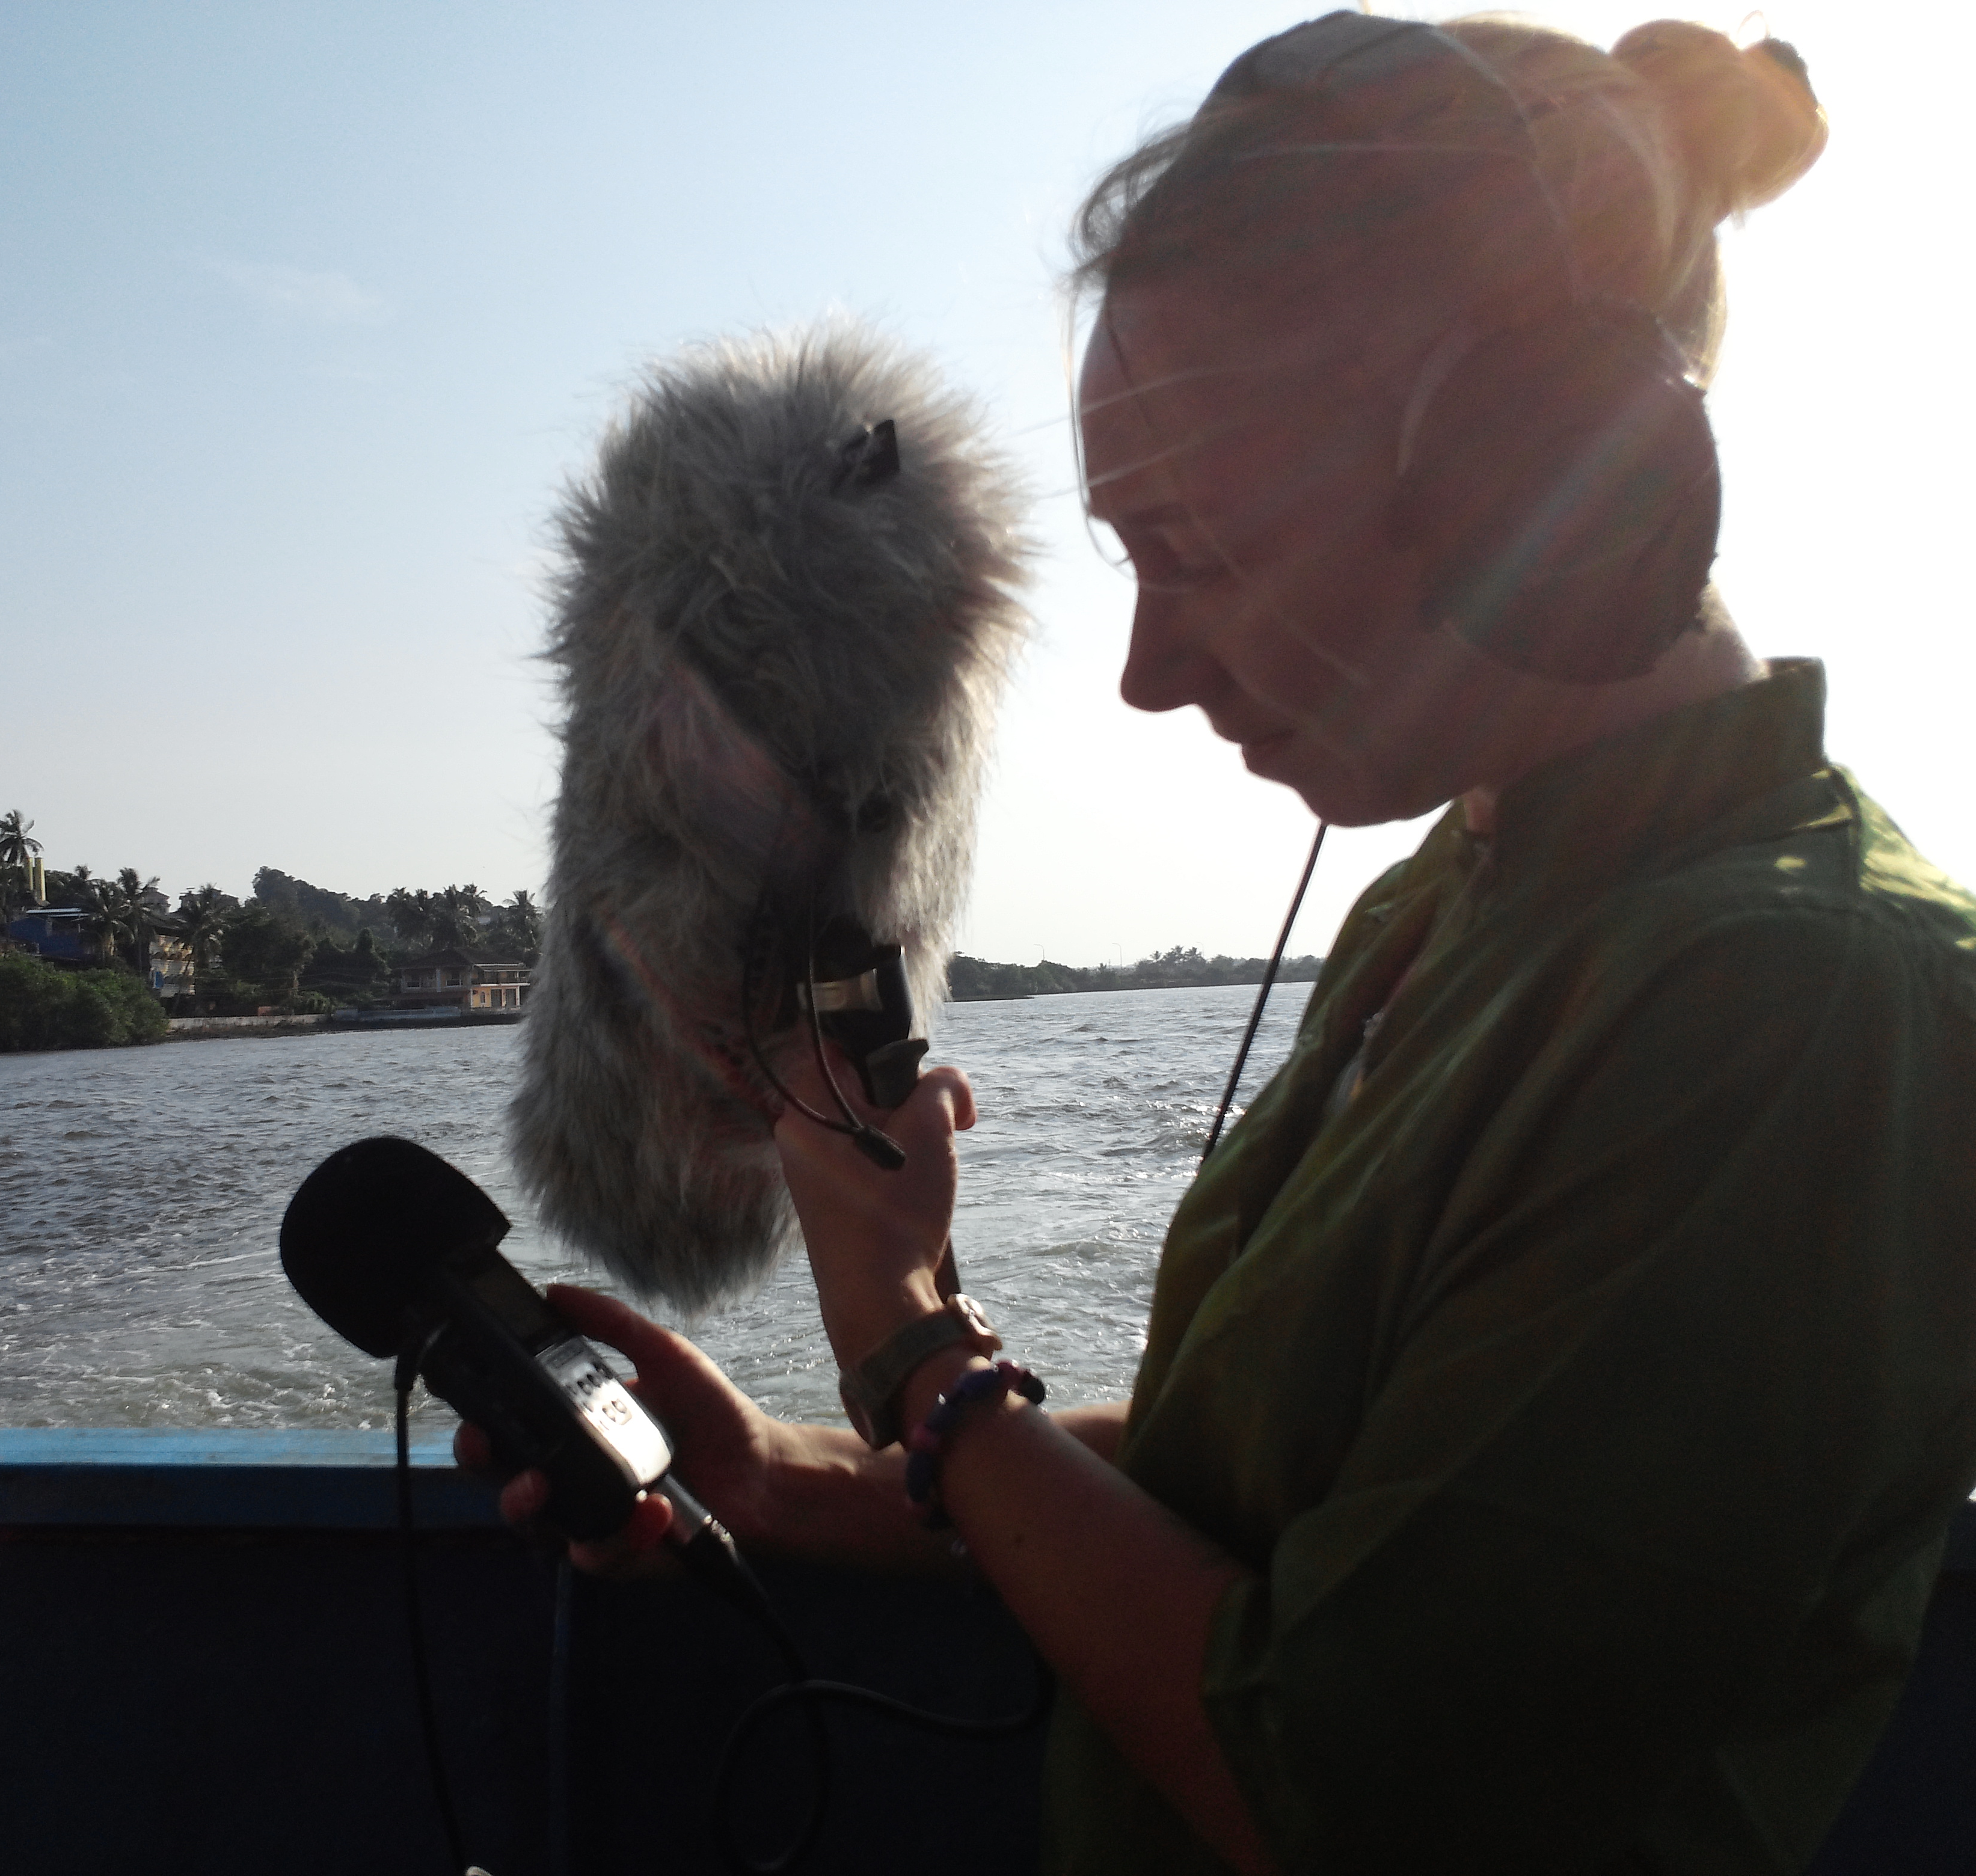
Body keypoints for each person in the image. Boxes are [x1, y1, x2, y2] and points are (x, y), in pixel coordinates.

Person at [464, 14, 1976, 1872]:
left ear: (1527, 465)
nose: (1151, 669)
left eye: (1204, 549)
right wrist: (802, 1476)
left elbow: (1362, 1799)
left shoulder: (1796, 1013)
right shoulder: (1467, 894)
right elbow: (1285, 1480)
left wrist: (912, 1341)